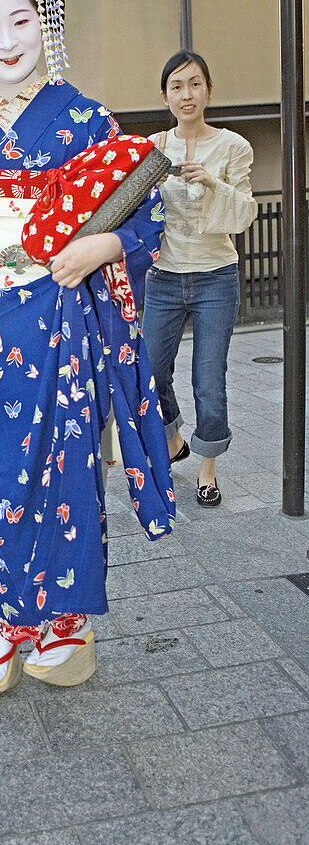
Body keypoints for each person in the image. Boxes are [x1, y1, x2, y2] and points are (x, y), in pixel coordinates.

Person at [0, 0, 175, 694]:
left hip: (64, 322)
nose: (6, 40)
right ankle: (6, 616)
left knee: (66, 470)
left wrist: (103, 250)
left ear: (44, 18)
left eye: (21, 19)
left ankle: (66, 624)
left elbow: (141, 213)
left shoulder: (85, 120)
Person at [141, 51, 258, 508]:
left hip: (215, 277)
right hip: (164, 277)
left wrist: (211, 181)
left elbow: (245, 211)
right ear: (166, 95)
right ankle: (173, 440)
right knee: (149, 371)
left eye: (194, 84)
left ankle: (207, 467)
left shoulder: (233, 146)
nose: (186, 94)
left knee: (209, 379)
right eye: (176, 86)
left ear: (208, 89)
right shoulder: (153, 146)